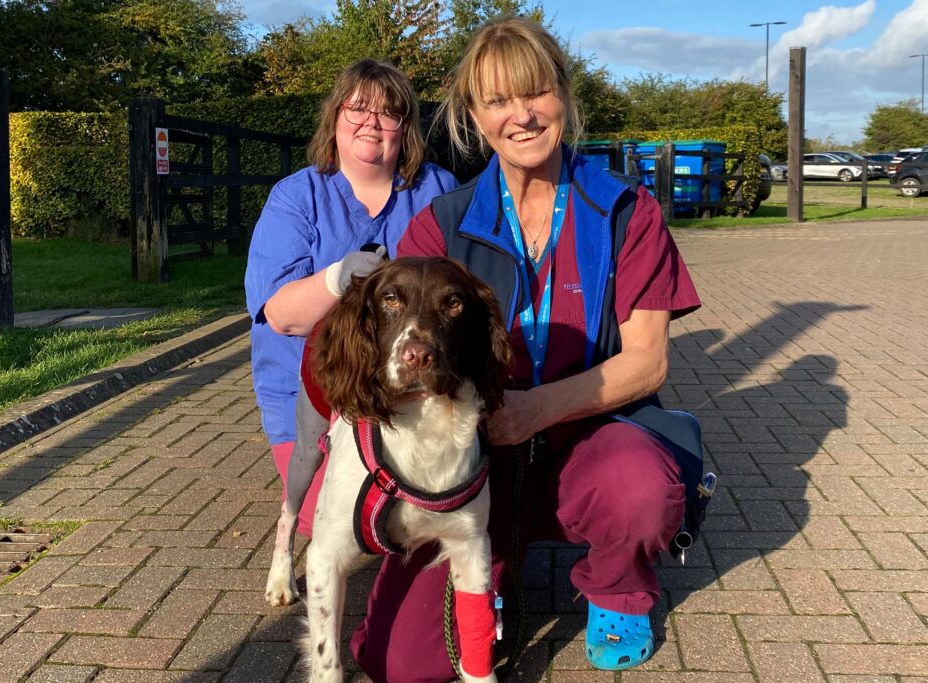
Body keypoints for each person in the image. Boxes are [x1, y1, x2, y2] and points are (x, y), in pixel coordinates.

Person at [346, 17, 702, 680]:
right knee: (396, 662)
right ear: (474, 116)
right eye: (498, 101)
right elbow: (396, 358)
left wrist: (536, 409)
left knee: (643, 486)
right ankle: (489, 575)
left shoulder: (628, 211)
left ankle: (617, 586)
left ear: (564, 94)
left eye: (535, 91)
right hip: (468, 459)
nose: (522, 115)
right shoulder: (440, 225)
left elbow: (648, 360)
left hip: (589, 438)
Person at [244, 59, 458, 534]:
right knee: (338, 518)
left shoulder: (438, 190)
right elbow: (281, 316)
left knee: (421, 507)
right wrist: (337, 278)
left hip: (411, 384)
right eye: (357, 109)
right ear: (334, 117)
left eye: (388, 114)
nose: (371, 124)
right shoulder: (295, 197)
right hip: (314, 392)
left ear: (405, 128)